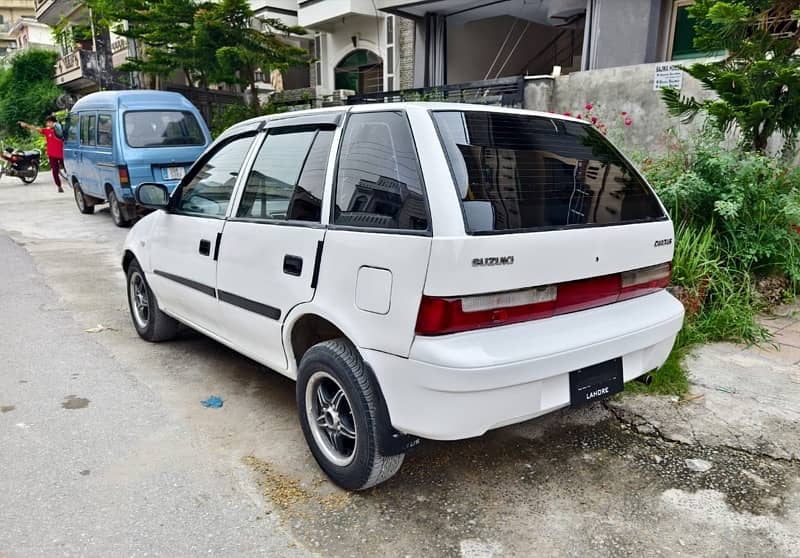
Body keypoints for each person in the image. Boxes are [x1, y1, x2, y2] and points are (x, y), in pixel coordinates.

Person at [18, 116, 65, 193]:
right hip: (52, 155)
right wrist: (26, 125)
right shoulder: (47, 131)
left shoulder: (60, 131)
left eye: (50, 122)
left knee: (68, 168)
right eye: (47, 122)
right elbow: (36, 129)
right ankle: (59, 186)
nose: (48, 124)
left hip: (62, 154)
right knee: (55, 171)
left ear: (54, 123)